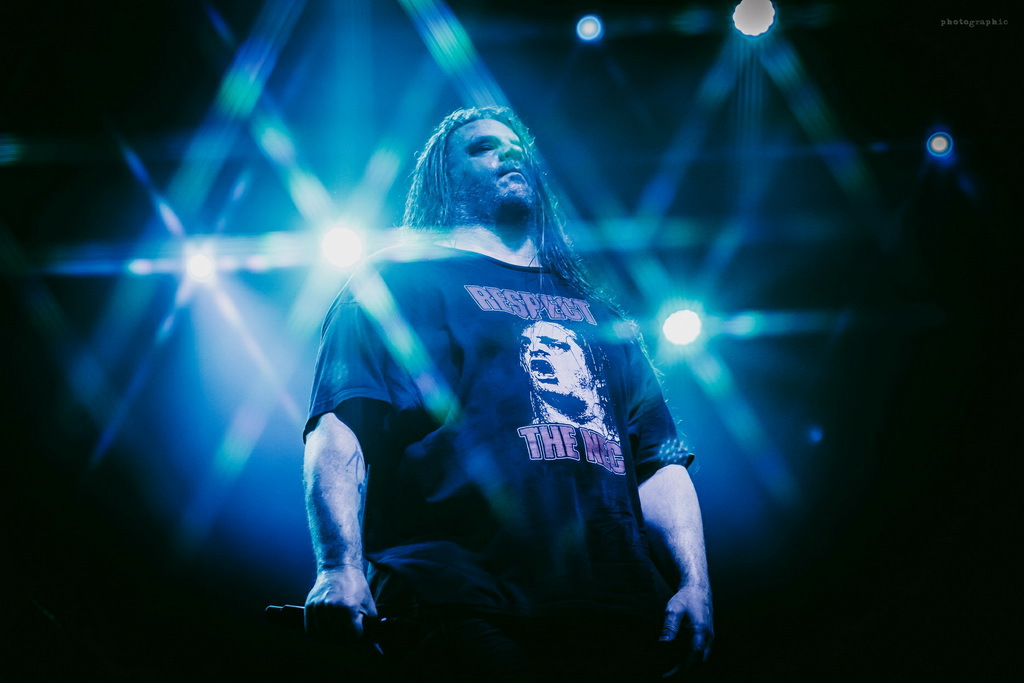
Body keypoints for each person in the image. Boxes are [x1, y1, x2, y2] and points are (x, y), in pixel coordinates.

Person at [302, 106, 713, 680]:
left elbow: (658, 464)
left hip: (619, 610)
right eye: (482, 147)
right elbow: (340, 426)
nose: (510, 152)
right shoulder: (399, 280)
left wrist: (695, 584)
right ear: (445, 177)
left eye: (517, 145)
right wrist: (337, 566)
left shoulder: (601, 315)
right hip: (458, 597)